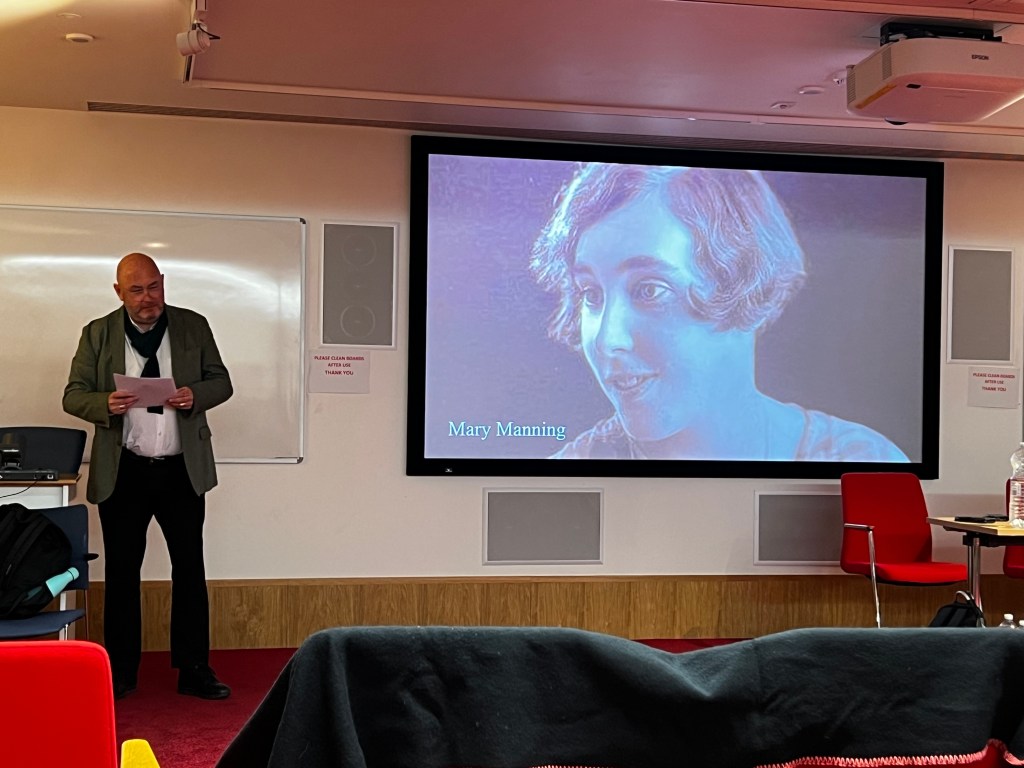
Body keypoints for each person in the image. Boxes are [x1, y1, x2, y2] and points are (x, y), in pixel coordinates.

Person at [530, 163, 908, 462]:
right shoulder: (561, 484)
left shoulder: (863, 461)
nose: (607, 339)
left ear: (743, 281)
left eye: (649, 290)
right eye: (590, 294)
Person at [63, 252, 233, 700]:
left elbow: (222, 382)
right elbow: (73, 395)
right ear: (118, 292)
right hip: (124, 471)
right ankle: (121, 672)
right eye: (136, 290)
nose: (147, 298)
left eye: (153, 287)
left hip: (181, 470)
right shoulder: (97, 333)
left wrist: (195, 394)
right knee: (122, 573)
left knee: (190, 569)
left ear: (163, 283)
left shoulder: (193, 326)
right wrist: (104, 403)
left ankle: (194, 669)